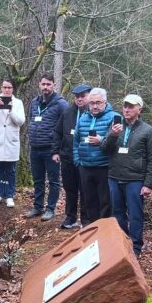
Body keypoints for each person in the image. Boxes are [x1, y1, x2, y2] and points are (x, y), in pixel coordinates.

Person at [101, 94, 152, 257]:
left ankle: (136, 247)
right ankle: (121, 242)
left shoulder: (148, 130)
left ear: (139, 109)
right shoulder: (115, 125)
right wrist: (112, 134)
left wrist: (148, 184)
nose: (127, 109)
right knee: (117, 212)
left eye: (131, 107)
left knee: (135, 214)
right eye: (125, 106)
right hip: (114, 176)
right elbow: (104, 148)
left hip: (135, 179)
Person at [26, 73, 68, 220]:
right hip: (35, 147)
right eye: (43, 84)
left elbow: (66, 127)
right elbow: (31, 120)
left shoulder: (61, 104)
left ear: (54, 85)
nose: (45, 87)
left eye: (48, 84)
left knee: (54, 180)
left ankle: (50, 209)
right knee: (37, 180)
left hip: (51, 149)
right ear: (39, 84)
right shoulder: (34, 102)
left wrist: (58, 149)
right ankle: (38, 207)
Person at [52, 84, 91, 229]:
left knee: (85, 189)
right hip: (67, 158)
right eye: (77, 97)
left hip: (85, 159)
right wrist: (55, 151)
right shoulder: (68, 112)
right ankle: (70, 217)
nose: (80, 99)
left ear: (89, 96)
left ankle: (86, 219)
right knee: (70, 188)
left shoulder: (93, 113)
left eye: (83, 96)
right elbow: (57, 132)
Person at [75, 88, 115, 223]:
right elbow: (76, 140)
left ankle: (104, 232)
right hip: (85, 167)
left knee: (105, 202)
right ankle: (92, 231)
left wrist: (101, 140)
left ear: (105, 102)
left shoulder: (112, 118)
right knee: (89, 201)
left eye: (98, 102)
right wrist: (77, 160)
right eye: (92, 103)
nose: (95, 106)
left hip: (104, 167)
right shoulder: (83, 117)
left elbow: (115, 143)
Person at [0, 78, 25, 207]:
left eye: (9, 87)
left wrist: (11, 109)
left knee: (10, 170)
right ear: (1, 88)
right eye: (5, 87)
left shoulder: (18, 103)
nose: (7, 90)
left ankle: (9, 195)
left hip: (11, 141)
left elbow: (20, 121)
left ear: (13, 89)